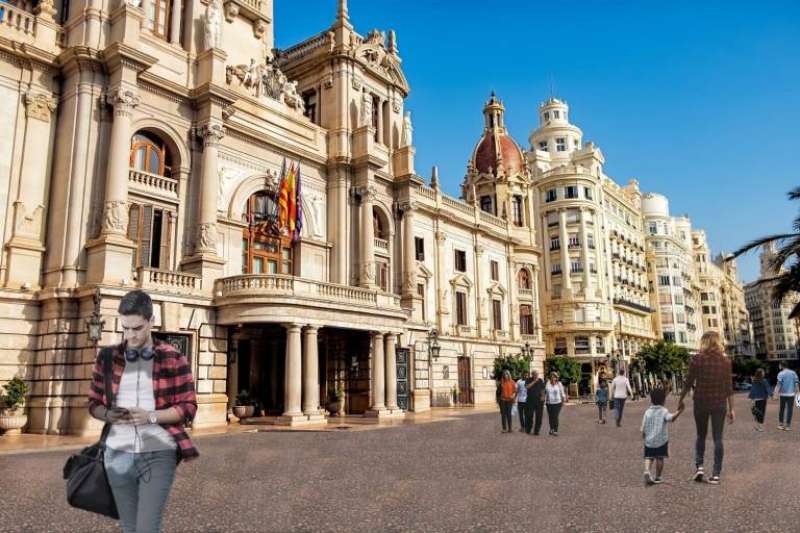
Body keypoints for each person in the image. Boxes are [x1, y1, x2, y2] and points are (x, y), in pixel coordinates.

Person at [87, 290, 199, 533]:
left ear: (151, 321)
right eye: (125, 328)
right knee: (129, 526)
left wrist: (151, 416)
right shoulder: (107, 358)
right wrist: (107, 415)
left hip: (159, 451)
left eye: (136, 328)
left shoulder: (173, 357)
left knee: (147, 525)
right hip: (117, 452)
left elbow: (188, 406)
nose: (130, 335)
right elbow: (93, 403)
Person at [678, 331, 734, 485]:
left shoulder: (697, 359)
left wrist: (681, 399)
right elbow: (729, 387)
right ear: (718, 342)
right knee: (718, 438)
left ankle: (700, 467)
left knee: (701, 435)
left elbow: (688, 382)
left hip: (701, 401)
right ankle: (716, 475)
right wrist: (732, 408)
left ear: (704, 342)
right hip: (719, 403)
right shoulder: (725, 362)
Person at [641, 387, 683, 485]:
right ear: (663, 400)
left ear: (651, 400)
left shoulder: (647, 412)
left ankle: (647, 470)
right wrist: (679, 411)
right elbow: (671, 418)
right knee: (660, 458)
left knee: (649, 457)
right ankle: (658, 477)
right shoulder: (664, 411)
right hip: (661, 440)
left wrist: (643, 435)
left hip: (649, 440)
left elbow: (644, 426)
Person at [775, 362, 799, 431]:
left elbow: (779, 384)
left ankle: (781, 425)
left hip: (783, 394)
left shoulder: (780, 373)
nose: (779, 366)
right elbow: (796, 383)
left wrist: (775, 394)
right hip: (791, 394)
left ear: (782, 366)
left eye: (779, 365)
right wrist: (798, 393)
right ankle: (788, 426)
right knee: (790, 410)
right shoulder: (793, 373)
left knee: (782, 409)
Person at [545, 372, 567, 436]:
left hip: (557, 403)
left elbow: (562, 392)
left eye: (554, 376)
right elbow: (545, 392)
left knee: (555, 416)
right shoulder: (548, 383)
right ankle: (551, 428)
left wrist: (563, 401)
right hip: (549, 403)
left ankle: (555, 430)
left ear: (556, 378)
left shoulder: (559, 384)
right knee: (550, 417)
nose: (553, 378)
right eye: (551, 376)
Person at [525, 370, 546, 435]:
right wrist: (534, 381)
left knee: (539, 416)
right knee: (529, 415)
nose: (536, 375)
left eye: (537, 374)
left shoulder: (540, 380)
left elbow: (543, 389)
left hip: (539, 401)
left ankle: (537, 431)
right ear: (532, 375)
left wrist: (543, 396)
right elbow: (527, 387)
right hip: (530, 401)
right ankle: (528, 429)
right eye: (535, 374)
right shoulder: (528, 380)